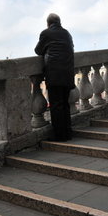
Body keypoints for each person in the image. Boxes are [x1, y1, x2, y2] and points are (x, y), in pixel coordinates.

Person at [34, 13, 74, 142]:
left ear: (48, 23)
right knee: (65, 104)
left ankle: (59, 135)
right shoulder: (67, 33)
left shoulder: (46, 33)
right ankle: (68, 132)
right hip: (67, 73)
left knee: (56, 105)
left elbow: (38, 50)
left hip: (54, 73)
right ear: (59, 22)